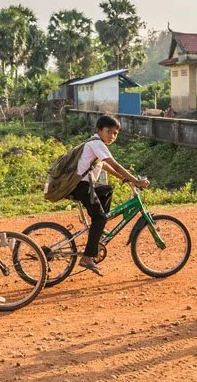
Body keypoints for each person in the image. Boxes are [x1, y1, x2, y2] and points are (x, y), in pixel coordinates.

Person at [71, 114, 149, 276]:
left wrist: (124, 179)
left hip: (86, 185)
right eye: (109, 131)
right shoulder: (97, 143)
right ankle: (87, 257)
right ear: (99, 130)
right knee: (100, 218)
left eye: (115, 133)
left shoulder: (94, 143)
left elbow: (104, 165)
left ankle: (98, 229)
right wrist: (136, 181)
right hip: (82, 186)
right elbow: (115, 164)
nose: (112, 136)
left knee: (106, 190)